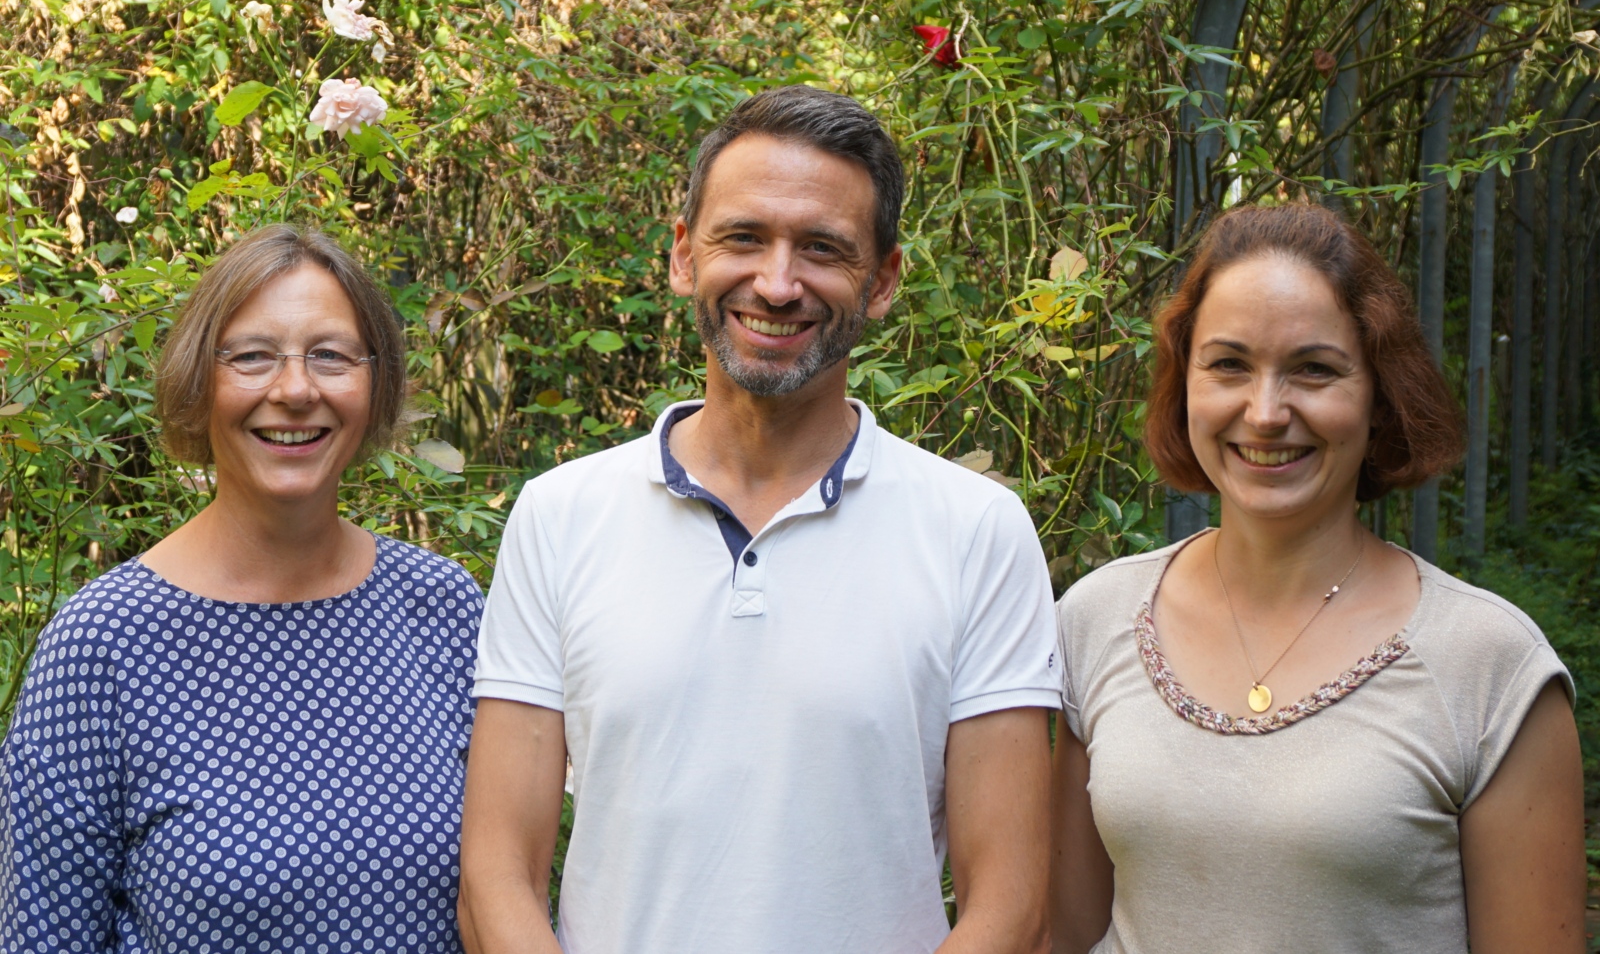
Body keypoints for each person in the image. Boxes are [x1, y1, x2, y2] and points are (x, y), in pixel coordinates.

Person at [459, 85, 1060, 954]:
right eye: (743, 238)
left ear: (882, 280)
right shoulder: (561, 516)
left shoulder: (977, 532)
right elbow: (496, 872)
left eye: (822, 249)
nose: (777, 284)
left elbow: (1009, 907)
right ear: (681, 256)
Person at [1049, 203, 1585, 954]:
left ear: (1379, 394)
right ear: (1184, 382)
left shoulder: (1490, 665)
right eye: (1229, 364)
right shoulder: (1096, 617)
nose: (1266, 413)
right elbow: (1066, 934)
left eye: (1314, 369)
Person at [0, 225, 484, 951]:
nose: (295, 389)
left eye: (330, 354)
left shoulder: (443, 608)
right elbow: (43, 937)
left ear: (375, 380)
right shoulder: (102, 643)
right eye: (254, 356)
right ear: (199, 381)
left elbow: (505, 888)